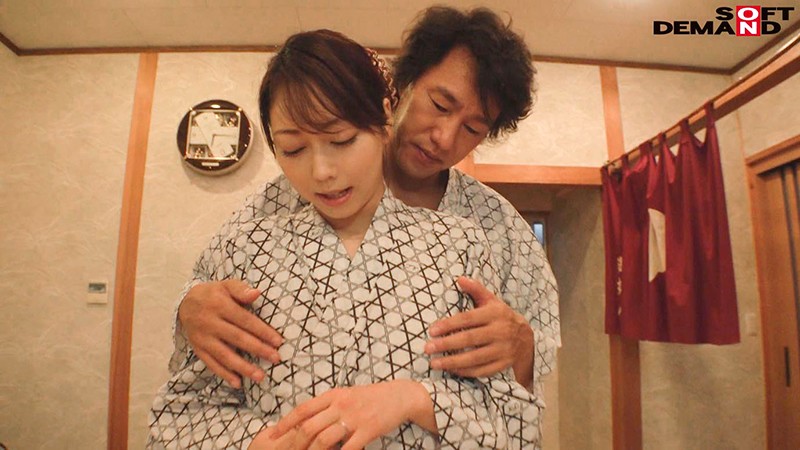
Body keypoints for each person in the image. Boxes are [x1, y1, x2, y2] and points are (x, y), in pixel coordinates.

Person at [149, 29, 539, 449]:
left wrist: (413, 398)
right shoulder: (245, 246)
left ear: (385, 119)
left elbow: (513, 422)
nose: (321, 172)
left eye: (342, 141)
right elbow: (178, 416)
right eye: (293, 149)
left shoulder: (462, 244)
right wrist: (261, 443)